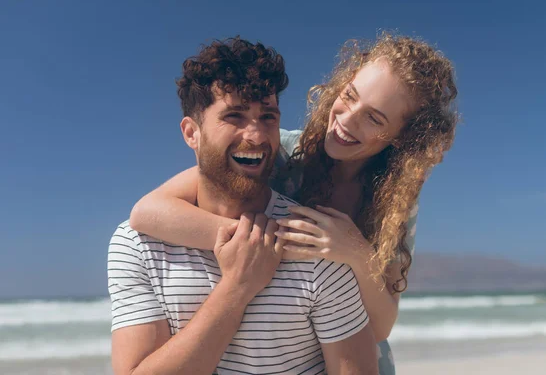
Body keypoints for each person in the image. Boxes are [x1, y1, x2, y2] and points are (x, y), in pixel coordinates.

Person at [130, 33, 459, 374]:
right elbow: (148, 212)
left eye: (374, 119)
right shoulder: (280, 152)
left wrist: (355, 252)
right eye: (349, 97)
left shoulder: (394, 198)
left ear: (403, 138)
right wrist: (267, 244)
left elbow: (382, 326)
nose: (347, 120)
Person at [108, 37, 378, 375]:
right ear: (192, 133)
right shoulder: (136, 244)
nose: (256, 135)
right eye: (234, 115)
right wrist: (237, 287)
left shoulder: (313, 240)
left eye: (268, 117)